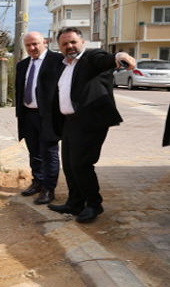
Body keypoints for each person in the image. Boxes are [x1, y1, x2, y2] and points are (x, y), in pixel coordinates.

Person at [47, 27, 136, 223]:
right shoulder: (65, 65)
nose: (69, 46)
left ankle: (94, 204)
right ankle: (75, 202)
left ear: (83, 42)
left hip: (89, 123)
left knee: (81, 164)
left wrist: (120, 55)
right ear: (59, 47)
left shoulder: (90, 59)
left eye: (73, 42)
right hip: (69, 123)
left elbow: (104, 58)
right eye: (64, 44)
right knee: (70, 166)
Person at [14, 32, 64, 204]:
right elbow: (19, 90)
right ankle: (37, 182)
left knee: (49, 153)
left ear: (44, 42)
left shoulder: (58, 61)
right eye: (28, 45)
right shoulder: (22, 65)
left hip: (48, 116)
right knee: (34, 152)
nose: (32, 48)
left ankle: (49, 190)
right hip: (28, 115)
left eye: (35, 44)